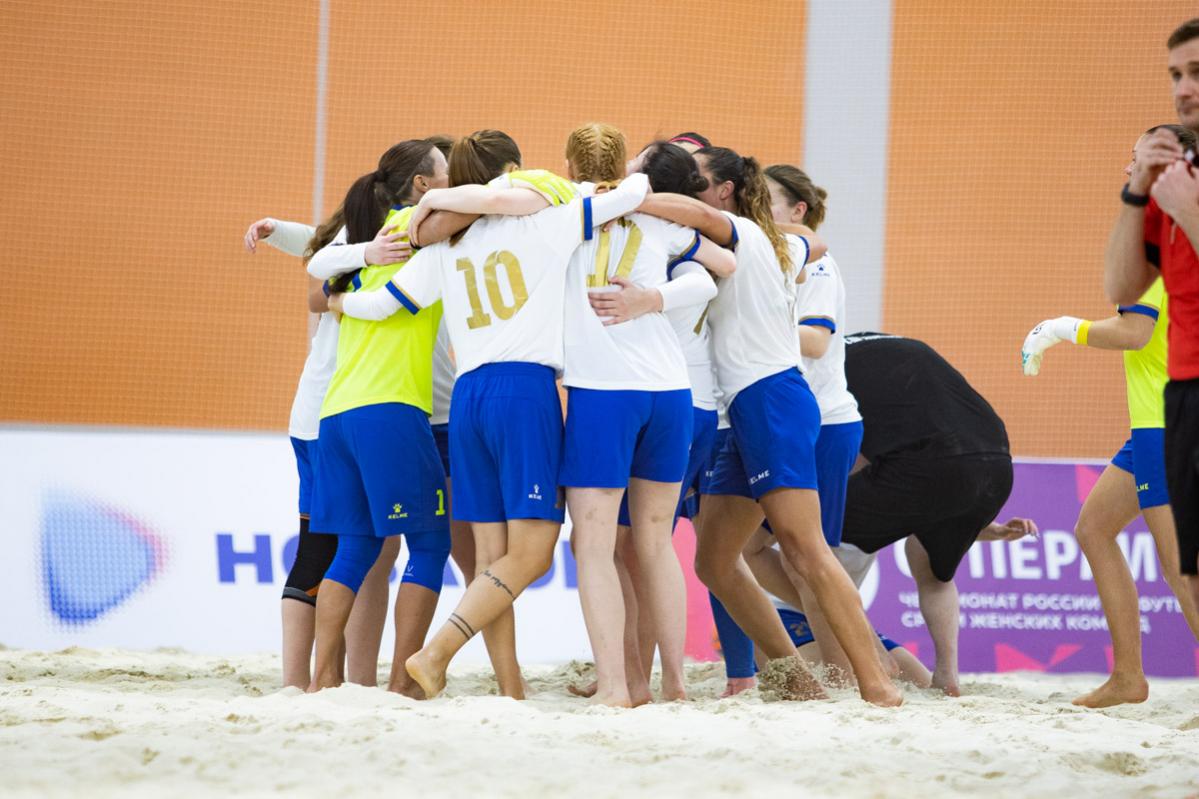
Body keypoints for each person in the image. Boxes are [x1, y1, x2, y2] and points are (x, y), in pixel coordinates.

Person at [331, 129, 650, 700]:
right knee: (532, 552)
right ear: (514, 170)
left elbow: (380, 305)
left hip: (468, 397)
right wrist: (624, 177)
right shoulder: (545, 221)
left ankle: (510, 688)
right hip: (523, 391)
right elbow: (628, 196)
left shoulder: (445, 245)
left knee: (489, 558)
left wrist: (337, 301)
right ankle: (435, 653)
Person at [683, 144, 900, 706]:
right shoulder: (764, 239)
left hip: (775, 399)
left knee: (808, 551)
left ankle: (877, 683)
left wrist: (625, 193)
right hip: (747, 406)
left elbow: (809, 248)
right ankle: (797, 679)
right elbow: (810, 240)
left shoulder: (741, 232)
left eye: (696, 176)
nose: (687, 184)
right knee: (715, 560)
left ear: (725, 191)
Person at [558, 127, 735, 706]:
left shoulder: (563, 211)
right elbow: (720, 265)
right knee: (655, 544)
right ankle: (674, 685)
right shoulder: (660, 220)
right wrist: (653, 297)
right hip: (670, 391)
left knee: (594, 545)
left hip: (605, 392)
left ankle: (616, 686)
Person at [1024, 125, 1199, 708]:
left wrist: (1061, 329)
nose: (1129, 168)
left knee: (1181, 569)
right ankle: (1128, 677)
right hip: (1155, 421)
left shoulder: (1159, 241)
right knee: (1094, 528)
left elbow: (1133, 332)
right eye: (1131, 157)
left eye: (1140, 158)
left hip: (1164, 424)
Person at [303, 139, 453, 695]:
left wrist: (352, 272)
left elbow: (317, 261)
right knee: (430, 547)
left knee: (356, 548)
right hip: (390, 410)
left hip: (337, 414)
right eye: (446, 172)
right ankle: (401, 683)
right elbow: (383, 303)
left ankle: (323, 680)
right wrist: (342, 300)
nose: (455, 179)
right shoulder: (423, 236)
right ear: (422, 184)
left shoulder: (369, 235)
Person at [837, 332, 1028, 696]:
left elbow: (850, 452)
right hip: (997, 463)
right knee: (931, 566)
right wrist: (982, 523)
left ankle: (873, 654)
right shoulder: (890, 347)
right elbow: (947, 467)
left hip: (932, 463)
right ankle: (947, 675)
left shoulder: (822, 363)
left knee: (815, 543)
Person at [1104, 18, 1199, 615]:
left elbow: (1134, 329)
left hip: (1165, 414)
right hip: (1180, 396)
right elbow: (1121, 286)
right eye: (1175, 75)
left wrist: (1188, 210)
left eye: (1196, 72)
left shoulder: (1184, 196)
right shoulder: (1170, 189)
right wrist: (1136, 192)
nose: (1183, 88)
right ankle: (1127, 664)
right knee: (1186, 567)